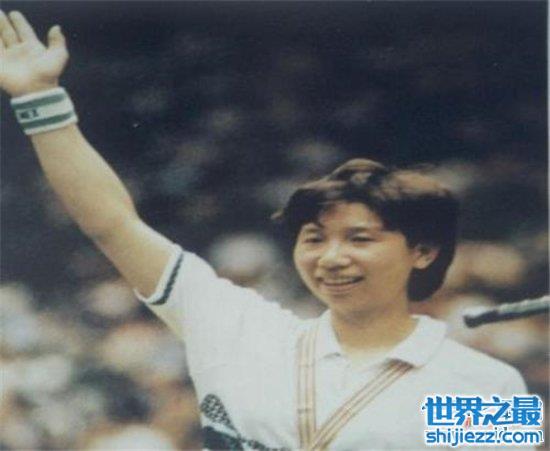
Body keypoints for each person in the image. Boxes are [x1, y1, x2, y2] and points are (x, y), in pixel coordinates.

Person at [0, 11, 529, 450]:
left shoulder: (483, 385)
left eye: (360, 238)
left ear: (422, 251)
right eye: (314, 238)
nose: (331, 257)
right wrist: (39, 98)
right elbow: (114, 225)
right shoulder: (239, 331)